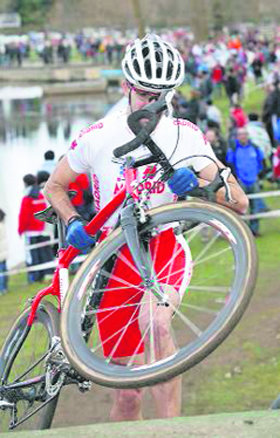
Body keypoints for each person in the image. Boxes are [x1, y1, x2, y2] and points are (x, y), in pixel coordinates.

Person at [45, 34, 248, 422]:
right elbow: (54, 185)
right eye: (143, 94)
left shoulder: (184, 134)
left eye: (161, 95)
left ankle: (172, 430)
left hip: (163, 246)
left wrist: (205, 186)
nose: (152, 104)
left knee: (154, 323)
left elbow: (239, 202)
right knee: (126, 396)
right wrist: (72, 219)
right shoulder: (99, 136)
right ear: (125, 87)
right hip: (113, 259)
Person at [226, 127, 264, 237]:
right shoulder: (233, 149)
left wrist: (258, 175)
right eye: (241, 134)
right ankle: (244, 231)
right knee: (241, 207)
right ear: (237, 136)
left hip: (254, 181)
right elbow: (229, 165)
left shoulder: (255, 148)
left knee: (255, 206)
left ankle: (254, 230)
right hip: (240, 182)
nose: (243, 136)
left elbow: (261, 162)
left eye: (245, 134)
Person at [18, 174, 54, 283]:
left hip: (30, 231)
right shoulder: (40, 195)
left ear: (25, 183)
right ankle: (47, 273)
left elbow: (24, 215)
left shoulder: (27, 197)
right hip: (41, 229)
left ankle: (35, 277)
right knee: (44, 252)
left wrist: (20, 229)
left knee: (32, 254)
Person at [0, 209, 8, 295]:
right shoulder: (2, 225)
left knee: (2, 272)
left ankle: (2, 288)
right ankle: (4, 287)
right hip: (3, 252)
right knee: (4, 270)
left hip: (1, 252)